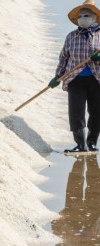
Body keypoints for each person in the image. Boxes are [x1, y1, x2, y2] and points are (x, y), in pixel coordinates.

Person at [49, 0, 100, 153]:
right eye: (80, 16)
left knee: (97, 112)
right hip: (75, 79)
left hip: (97, 79)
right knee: (76, 112)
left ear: (94, 18)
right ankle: (80, 145)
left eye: (86, 15)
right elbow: (64, 58)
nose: (83, 18)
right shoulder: (71, 36)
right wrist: (57, 77)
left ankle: (91, 142)